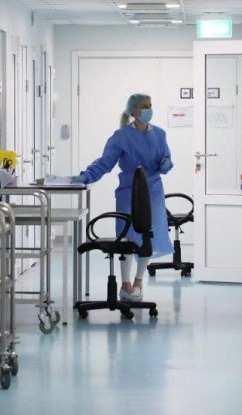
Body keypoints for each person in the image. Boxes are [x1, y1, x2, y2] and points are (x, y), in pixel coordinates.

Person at [72, 93, 174, 301]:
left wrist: (166, 164)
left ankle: (138, 282)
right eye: (145, 106)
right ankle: (125, 284)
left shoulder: (160, 134)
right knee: (128, 237)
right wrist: (85, 176)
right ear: (134, 111)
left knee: (148, 237)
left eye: (151, 105)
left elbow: (166, 160)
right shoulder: (121, 136)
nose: (149, 109)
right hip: (129, 192)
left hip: (153, 191)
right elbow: (104, 163)